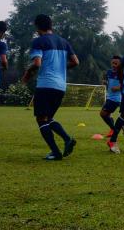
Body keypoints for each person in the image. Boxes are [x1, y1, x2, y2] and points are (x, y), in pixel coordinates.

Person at [22, 14, 79, 160]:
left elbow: (37, 63)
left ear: (37, 27)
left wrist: (28, 72)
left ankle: (55, 152)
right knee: (48, 118)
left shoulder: (39, 41)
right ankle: (67, 139)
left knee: (41, 119)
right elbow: (75, 62)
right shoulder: (64, 42)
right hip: (60, 86)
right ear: (51, 25)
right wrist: (60, 67)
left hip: (46, 84)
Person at [100, 56, 123, 138]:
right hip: (110, 97)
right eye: (112, 63)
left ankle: (114, 129)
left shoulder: (122, 73)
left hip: (115, 99)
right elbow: (110, 82)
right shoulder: (109, 72)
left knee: (103, 114)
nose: (113, 65)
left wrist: (117, 88)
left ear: (120, 64)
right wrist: (105, 82)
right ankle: (112, 130)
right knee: (108, 115)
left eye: (116, 63)